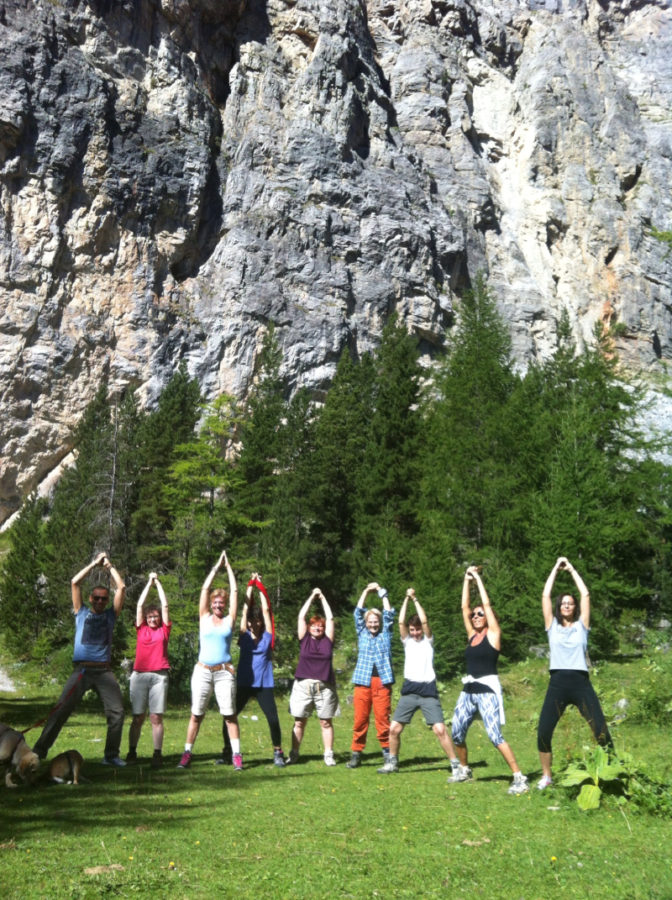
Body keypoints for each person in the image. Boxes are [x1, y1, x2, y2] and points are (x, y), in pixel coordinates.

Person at [33, 552, 127, 766]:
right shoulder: (81, 612)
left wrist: (109, 566)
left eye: (104, 598)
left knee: (117, 712)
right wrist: (94, 563)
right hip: (82, 671)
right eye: (97, 598)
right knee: (61, 710)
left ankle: (111, 756)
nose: (101, 601)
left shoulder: (111, 616)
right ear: (91, 598)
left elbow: (121, 588)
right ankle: (38, 752)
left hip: (103, 671)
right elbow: (75, 582)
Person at [449, 567, 528, 794]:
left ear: (488, 618)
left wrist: (479, 580)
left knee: (494, 735)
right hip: (468, 689)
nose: (475, 616)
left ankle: (519, 777)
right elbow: (464, 607)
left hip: (487, 690)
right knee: (456, 732)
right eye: (474, 615)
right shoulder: (471, 635)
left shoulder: (493, 634)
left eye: (479, 614)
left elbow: (487, 604)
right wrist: (466, 579)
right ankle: (464, 770)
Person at [537, 556, 614, 790]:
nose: (567, 606)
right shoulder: (552, 627)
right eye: (564, 603)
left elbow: (586, 595)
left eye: (570, 603)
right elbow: (545, 596)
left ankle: (613, 772)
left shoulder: (583, 626)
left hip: (580, 683)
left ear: (575, 607)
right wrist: (554, 568)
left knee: (600, 729)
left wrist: (570, 569)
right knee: (543, 731)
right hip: (558, 683)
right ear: (559, 608)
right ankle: (547, 776)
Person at [378, 588, 460, 775]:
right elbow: (400, 621)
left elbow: (424, 620)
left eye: (418, 630)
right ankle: (392, 763)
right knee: (394, 729)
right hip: (410, 690)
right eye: (413, 630)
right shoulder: (407, 641)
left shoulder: (428, 641)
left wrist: (414, 598)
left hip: (428, 690)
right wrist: (405, 599)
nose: (415, 633)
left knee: (440, 729)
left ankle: (455, 764)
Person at [177, 550, 241, 770]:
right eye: (215, 602)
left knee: (229, 715)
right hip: (203, 670)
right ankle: (187, 753)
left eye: (221, 603)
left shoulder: (229, 620)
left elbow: (234, 591)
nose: (218, 605)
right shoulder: (203, 617)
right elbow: (204, 589)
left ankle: (237, 756)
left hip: (224, 672)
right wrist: (217, 566)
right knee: (196, 714)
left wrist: (229, 567)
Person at [218, 573, 286, 767]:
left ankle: (278, 752)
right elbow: (245, 610)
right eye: (251, 621)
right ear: (248, 622)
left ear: (261, 623)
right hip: (244, 683)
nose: (254, 623)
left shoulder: (268, 636)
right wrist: (249, 586)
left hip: (264, 684)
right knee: (229, 717)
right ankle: (227, 752)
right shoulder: (244, 636)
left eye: (257, 621)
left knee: (273, 718)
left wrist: (260, 585)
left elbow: (266, 609)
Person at [346, 582, 395, 769]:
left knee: (383, 720)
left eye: (376, 621)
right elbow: (357, 613)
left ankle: (387, 754)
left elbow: (389, 614)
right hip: (362, 682)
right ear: (366, 624)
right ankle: (356, 754)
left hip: (382, 682)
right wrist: (366, 590)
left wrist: (382, 593)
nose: (373, 624)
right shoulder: (362, 633)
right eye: (370, 622)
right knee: (360, 719)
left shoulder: (385, 634)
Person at [287, 588, 339, 767]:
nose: (318, 628)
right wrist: (311, 597)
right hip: (303, 685)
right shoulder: (305, 639)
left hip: (324, 686)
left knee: (325, 722)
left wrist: (323, 597)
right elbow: (301, 617)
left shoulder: (328, 640)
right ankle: (294, 753)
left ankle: (328, 754)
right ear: (309, 628)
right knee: (299, 721)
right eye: (315, 625)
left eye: (321, 626)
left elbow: (331, 618)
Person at [126, 572, 171, 768]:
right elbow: (139, 605)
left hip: (159, 676)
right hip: (139, 676)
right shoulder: (141, 628)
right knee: (137, 717)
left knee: (156, 717)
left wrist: (158, 583)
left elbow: (166, 606)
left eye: (156, 616)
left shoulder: (164, 630)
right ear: (146, 618)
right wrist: (148, 583)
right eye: (150, 616)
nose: (153, 619)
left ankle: (157, 753)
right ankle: (132, 751)